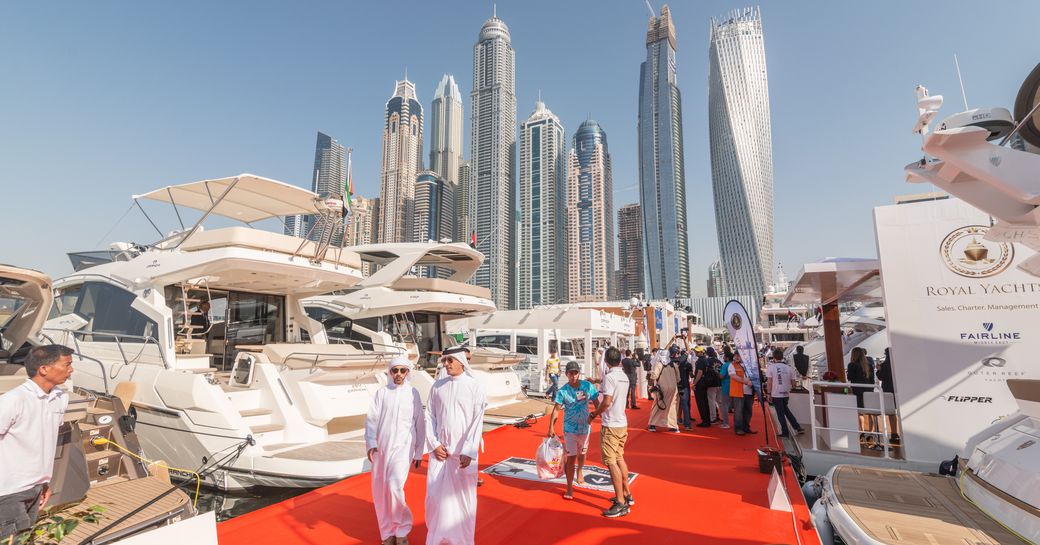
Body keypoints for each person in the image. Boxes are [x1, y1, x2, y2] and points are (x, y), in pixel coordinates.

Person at [0, 345, 74, 540]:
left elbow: (44, 441)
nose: (71, 370)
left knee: (26, 537)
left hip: (36, 487)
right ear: (44, 369)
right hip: (9, 490)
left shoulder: (61, 397)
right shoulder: (13, 400)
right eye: (66, 365)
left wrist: (44, 481)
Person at [424, 346, 486, 545]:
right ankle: (437, 539)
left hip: (462, 456)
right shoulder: (437, 386)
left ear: (461, 361)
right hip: (440, 454)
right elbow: (429, 417)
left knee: (463, 501)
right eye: (445, 360)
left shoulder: (474, 386)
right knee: (435, 498)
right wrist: (433, 445)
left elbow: (478, 420)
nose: (446, 364)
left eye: (450, 360)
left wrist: (468, 450)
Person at [366, 356, 426, 545]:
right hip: (381, 448)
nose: (398, 374)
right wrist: (371, 443)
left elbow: (420, 423)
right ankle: (387, 533)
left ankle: (401, 531)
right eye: (395, 370)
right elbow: (371, 420)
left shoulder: (413, 393)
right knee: (381, 491)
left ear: (408, 372)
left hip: (404, 447)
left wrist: (418, 452)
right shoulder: (381, 393)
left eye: (402, 370)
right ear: (389, 372)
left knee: (394, 486)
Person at [589, 347, 633, 518]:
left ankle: (621, 503)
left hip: (611, 424)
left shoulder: (610, 377)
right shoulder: (623, 376)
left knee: (611, 461)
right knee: (619, 457)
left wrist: (594, 413)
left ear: (606, 361)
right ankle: (627, 495)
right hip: (622, 422)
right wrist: (597, 380)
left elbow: (606, 401)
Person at [547, 361, 600, 500]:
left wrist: (596, 415)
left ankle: (580, 470)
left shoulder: (587, 386)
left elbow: (597, 403)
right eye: (570, 373)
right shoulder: (562, 391)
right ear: (566, 374)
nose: (573, 375)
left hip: (585, 428)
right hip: (569, 429)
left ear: (579, 373)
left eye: (575, 372)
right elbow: (556, 410)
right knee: (571, 458)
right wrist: (551, 426)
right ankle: (569, 487)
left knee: (582, 454)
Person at [766, 348, 804, 438]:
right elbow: (794, 383)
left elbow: (769, 382)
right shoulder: (789, 368)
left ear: (774, 357)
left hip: (776, 393)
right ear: (782, 357)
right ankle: (797, 427)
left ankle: (785, 432)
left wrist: (768, 393)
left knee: (780, 413)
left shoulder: (771, 367)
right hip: (786, 393)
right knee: (786, 410)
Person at [647, 346, 680, 433]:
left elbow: (654, 376)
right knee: (672, 406)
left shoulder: (659, 364)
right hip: (673, 388)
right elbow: (678, 378)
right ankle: (673, 426)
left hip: (662, 388)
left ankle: (652, 424)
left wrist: (650, 385)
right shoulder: (674, 365)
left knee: (658, 405)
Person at [846, 347, 875, 439]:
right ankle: (871, 432)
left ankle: (862, 432)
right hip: (869, 390)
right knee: (870, 412)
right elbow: (872, 380)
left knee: (860, 412)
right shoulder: (869, 365)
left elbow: (850, 377)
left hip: (858, 390)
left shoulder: (852, 365)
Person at [728, 351, 756, 436]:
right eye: (736, 355)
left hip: (749, 391)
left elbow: (755, 375)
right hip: (738, 392)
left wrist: (752, 382)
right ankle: (738, 428)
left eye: (739, 356)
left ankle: (746, 427)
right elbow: (733, 376)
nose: (737, 357)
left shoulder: (750, 365)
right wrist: (746, 382)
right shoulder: (732, 365)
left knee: (748, 411)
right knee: (738, 411)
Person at [877, 348, 899, 443]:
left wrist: (878, 370)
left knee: (891, 412)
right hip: (898, 389)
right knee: (897, 411)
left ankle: (894, 433)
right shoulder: (898, 362)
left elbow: (881, 377)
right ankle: (898, 433)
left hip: (887, 389)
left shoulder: (885, 365)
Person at [691, 346, 712, 428]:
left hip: (700, 383)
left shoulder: (700, 361)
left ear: (701, 352)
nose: (696, 353)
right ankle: (707, 420)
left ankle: (705, 421)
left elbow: (700, 372)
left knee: (701, 403)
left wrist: (694, 383)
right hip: (704, 383)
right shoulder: (705, 360)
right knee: (705, 402)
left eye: (697, 351)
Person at [677, 346, 694, 430]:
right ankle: (687, 424)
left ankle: (678, 419)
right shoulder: (688, 365)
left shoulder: (676, 363)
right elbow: (691, 375)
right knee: (685, 404)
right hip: (685, 385)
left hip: (677, 385)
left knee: (678, 404)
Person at [705, 347, 723, 423]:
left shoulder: (707, 361)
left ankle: (713, 417)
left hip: (711, 384)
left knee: (711, 401)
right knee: (720, 401)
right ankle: (723, 416)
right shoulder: (719, 361)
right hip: (719, 383)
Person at [718, 351, 732, 429]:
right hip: (735, 388)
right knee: (736, 406)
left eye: (724, 357)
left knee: (725, 406)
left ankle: (725, 423)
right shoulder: (734, 365)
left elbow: (721, 376)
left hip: (726, 387)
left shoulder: (725, 365)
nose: (723, 358)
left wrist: (717, 373)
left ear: (727, 358)